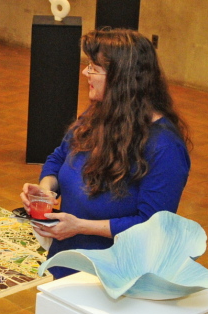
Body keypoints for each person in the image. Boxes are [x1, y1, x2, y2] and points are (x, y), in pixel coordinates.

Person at [21, 28, 190, 279]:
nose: (85, 72)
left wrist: (80, 226)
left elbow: (153, 226)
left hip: (115, 275)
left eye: (94, 67)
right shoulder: (96, 114)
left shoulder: (164, 147)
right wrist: (46, 189)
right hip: (69, 261)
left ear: (122, 78)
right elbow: (59, 157)